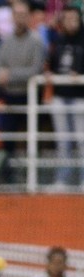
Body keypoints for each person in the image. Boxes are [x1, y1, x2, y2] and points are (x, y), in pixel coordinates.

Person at [0, 0, 45, 172]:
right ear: (12, 17)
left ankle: (33, 176)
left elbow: (35, 70)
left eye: (23, 15)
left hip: (29, 96)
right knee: (7, 139)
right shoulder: (6, 41)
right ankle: (8, 177)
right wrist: (3, 74)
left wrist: (10, 75)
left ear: (29, 17)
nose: (20, 19)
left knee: (32, 139)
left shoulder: (36, 41)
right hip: (9, 96)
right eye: (17, 15)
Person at [46, 6, 84, 187]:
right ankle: (63, 179)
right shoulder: (59, 41)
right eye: (67, 19)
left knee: (82, 140)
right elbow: (52, 65)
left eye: (74, 19)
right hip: (60, 96)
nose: (71, 22)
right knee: (63, 141)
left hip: (80, 98)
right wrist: (49, 74)